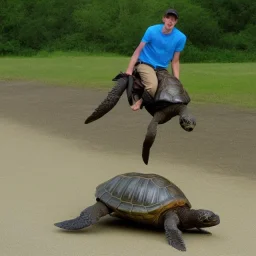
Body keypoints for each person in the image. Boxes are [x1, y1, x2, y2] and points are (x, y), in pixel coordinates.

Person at [125, 8, 187, 111]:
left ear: (176, 22)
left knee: (172, 88)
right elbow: (137, 51)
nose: (170, 21)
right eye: (168, 18)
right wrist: (129, 70)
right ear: (163, 19)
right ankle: (140, 101)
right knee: (152, 86)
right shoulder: (152, 30)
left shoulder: (180, 37)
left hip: (161, 68)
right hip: (145, 63)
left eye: (173, 19)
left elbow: (175, 61)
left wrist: (177, 80)